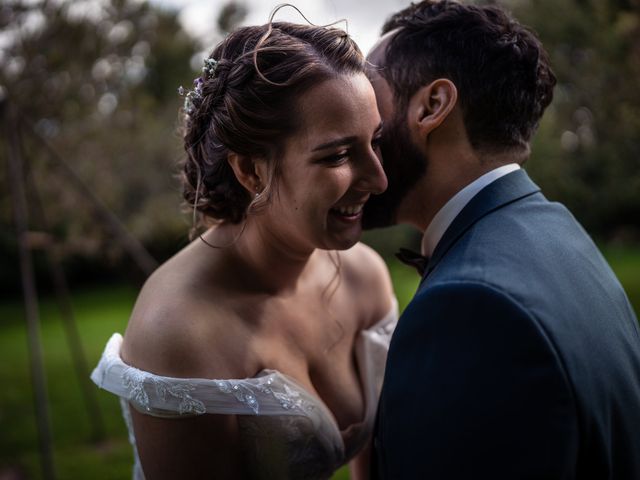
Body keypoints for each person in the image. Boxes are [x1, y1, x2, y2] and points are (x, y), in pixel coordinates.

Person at [91, 17, 397, 480]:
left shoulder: (364, 277)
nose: (379, 179)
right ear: (251, 171)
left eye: (375, 142)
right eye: (337, 155)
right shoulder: (180, 330)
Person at [363, 1, 640, 478]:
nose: (355, 124)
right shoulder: (559, 234)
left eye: (368, 98)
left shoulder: (469, 308)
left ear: (431, 106)